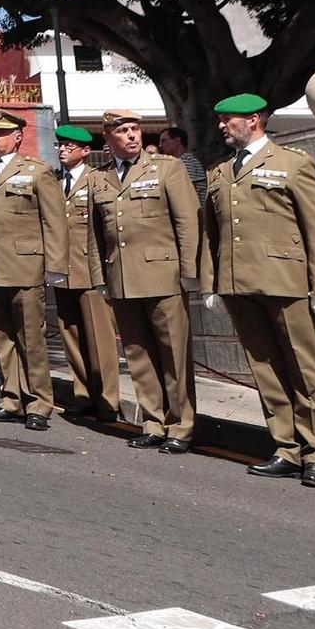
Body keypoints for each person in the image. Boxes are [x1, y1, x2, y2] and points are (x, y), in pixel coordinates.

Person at [204, 92, 315, 488]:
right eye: (221, 120)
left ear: (255, 119)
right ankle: (286, 447)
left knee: (305, 367)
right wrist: (211, 281)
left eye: (229, 119)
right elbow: (212, 234)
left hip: (286, 280)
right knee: (265, 368)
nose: (222, 126)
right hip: (237, 283)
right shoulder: (219, 172)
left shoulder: (292, 164)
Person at [93, 108, 200, 452]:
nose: (131, 135)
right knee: (139, 354)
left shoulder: (168, 168)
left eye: (135, 129)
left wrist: (190, 271)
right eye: (122, 130)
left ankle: (181, 426)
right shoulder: (100, 178)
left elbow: (187, 222)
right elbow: (95, 235)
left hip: (163, 275)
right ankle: (153, 421)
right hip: (122, 278)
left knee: (173, 354)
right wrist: (100, 277)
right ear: (108, 138)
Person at [0, 109, 67, 432]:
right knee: (0, 338)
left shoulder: (36, 172)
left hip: (25, 265)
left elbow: (55, 222)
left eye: (0, 132)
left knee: (31, 337)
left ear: (18, 137)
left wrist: (55, 266)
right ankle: (10, 398)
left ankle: (38, 402)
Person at [52, 124, 121, 421]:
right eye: (60, 145)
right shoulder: (55, 183)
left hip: (90, 270)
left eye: (70, 146)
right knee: (71, 336)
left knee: (99, 338)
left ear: (84, 151)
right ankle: (83, 395)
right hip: (62, 270)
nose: (63, 150)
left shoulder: (98, 180)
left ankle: (107, 400)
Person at [159, 125, 208, 204]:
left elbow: (184, 192)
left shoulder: (184, 162)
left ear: (177, 141)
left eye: (163, 141)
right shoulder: (187, 160)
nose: (160, 145)